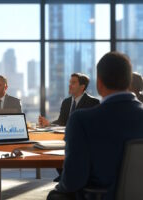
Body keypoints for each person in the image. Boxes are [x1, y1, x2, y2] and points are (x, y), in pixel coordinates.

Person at [47, 52, 143, 200]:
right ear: (129, 82)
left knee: (56, 195)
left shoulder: (81, 120)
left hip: (98, 196)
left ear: (99, 83)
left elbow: (72, 181)